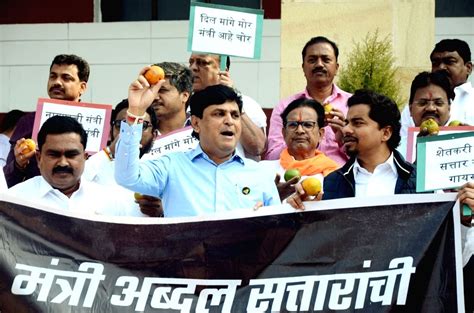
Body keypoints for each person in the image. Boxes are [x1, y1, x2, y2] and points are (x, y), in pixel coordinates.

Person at [115, 69, 280, 217]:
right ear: (195, 123)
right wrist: (136, 112)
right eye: (219, 114)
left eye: (235, 115)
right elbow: (126, 176)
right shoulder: (172, 166)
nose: (229, 121)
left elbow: (278, 233)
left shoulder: (259, 174)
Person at [287, 90, 416, 209]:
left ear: (386, 133)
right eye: (347, 123)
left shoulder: (416, 179)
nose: (346, 129)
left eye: (358, 123)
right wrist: (307, 209)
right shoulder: (332, 182)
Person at [6, 116, 128, 216]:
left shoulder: (109, 201)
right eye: (54, 154)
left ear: (85, 157)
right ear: (39, 158)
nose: (63, 163)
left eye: (71, 155)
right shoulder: (14, 201)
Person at [4, 54, 89, 187]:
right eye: (53, 76)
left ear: (82, 87)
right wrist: (18, 164)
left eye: (66, 78)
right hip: (38, 202)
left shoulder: (99, 123)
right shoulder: (28, 122)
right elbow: (7, 181)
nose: (57, 82)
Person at [265, 36, 351, 165]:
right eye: (312, 60)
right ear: (303, 67)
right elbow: (271, 156)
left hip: (342, 180)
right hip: (296, 178)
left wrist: (344, 140)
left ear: (337, 67)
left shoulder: (353, 105)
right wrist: (297, 140)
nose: (319, 64)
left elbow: (368, 158)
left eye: (326, 59)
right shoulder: (285, 106)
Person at [82, 99, 159, 216]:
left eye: (141, 125)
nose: (131, 131)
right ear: (110, 131)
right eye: (120, 125)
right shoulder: (99, 164)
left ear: (154, 135)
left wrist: (162, 211)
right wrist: (110, 151)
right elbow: (75, 179)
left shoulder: (160, 168)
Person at [189, 53, 267, 160]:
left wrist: (238, 107)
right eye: (191, 62)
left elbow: (258, 148)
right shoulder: (184, 104)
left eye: (203, 63)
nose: (193, 68)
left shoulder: (248, 104)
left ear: (222, 71)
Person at [262, 97, 339, 200]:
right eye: (293, 125)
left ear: (320, 134)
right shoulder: (263, 170)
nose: (300, 130)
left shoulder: (336, 176)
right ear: (284, 133)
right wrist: (274, 197)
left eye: (308, 125)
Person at [401, 39, 473, 137]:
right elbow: (402, 142)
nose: (441, 67)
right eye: (436, 63)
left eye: (450, 62)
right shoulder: (414, 107)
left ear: (468, 68)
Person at [398, 71, 454, 158]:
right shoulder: (395, 151)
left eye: (438, 103)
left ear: (449, 108)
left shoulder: (465, 146)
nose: (431, 108)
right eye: (422, 103)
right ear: (410, 109)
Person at [150, 62, 193, 135]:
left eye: (162, 90)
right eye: (151, 91)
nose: (154, 97)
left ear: (184, 96)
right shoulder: (142, 134)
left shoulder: (203, 128)